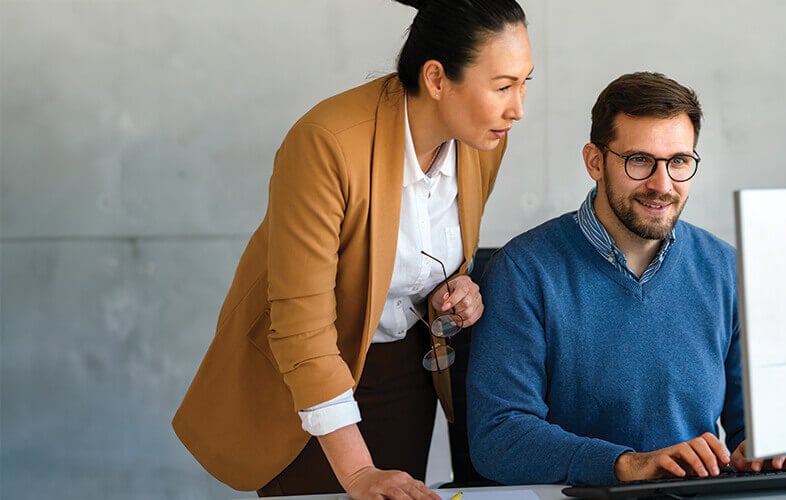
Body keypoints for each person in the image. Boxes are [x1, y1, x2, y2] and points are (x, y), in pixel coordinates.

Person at [172, 1, 532, 498]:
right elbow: (301, 326)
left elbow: (426, 254)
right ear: (436, 78)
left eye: (524, 83)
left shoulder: (482, 139)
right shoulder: (326, 144)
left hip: (407, 374)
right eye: (503, 86)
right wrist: (358, 472)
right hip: (310, 388)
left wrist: (457, 286)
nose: (518, 108)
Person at [465, 72, 786, 486]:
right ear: (595, 161)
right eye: (640, 160)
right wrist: (628, 465)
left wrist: (768, 448)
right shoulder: (523, 271)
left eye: (679, 161)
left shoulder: (725, 269)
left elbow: (750, 425)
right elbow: (499, 437)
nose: (662, 185)